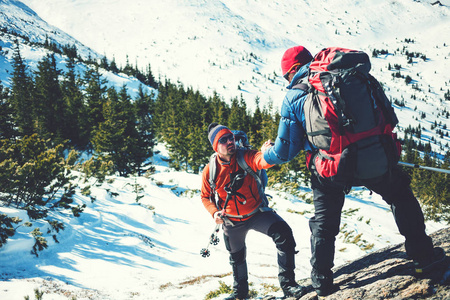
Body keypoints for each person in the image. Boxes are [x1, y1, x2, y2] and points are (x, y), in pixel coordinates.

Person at [263, 45, 446, 297]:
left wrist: (265, 154)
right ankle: (423, 258)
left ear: (291, 71)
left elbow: (284, 152)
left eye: (286, 76)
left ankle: (322, 280)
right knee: (400, 195)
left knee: (324, 223)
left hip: (332, 167)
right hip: (375, 157)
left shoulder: (294, 96)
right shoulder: (349, 75)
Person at [201, 123, 305, 299]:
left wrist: (269, 153)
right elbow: (205, 196)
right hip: (232, 222)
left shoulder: (245, 156)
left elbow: (261, 161)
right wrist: (214, 212)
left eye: (231, 137)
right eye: (223, 140)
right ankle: (240, 294)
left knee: (284, 235)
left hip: (257, 213)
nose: (230, 141)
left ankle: (288, 285)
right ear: (215, 146)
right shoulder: (211, 170)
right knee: (236, 257)